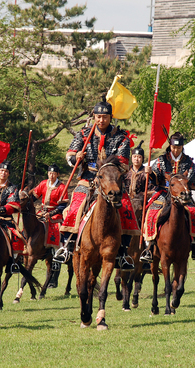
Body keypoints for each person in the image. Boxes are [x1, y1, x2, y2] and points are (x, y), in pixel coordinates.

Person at [53, 98, 140, 270]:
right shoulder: (84, 134)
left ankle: (122, 252)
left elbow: (122, 162)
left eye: (105, 117)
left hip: (111, 182)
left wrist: (106, 169)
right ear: (94, 116)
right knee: (75, 205)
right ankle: (68, 246)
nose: (101, 120)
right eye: (98, 116)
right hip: (88, 179)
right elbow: (70, 153)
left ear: (110, 117)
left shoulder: (121, 137)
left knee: (126, 208)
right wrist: (75, 157)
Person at [140, 132, 195, 264]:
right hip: (163, 193)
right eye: (173, 147)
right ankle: (149, 246)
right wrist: (150, 173)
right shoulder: (161, 160)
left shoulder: (189, 162)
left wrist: (186, 186)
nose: (176, 150)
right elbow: (154, 179)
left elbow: (192, 181)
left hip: (183, 194)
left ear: (182, 147)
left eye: (178, 147)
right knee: (151, 214)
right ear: (170, 146)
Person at [25, 164, 67, 287]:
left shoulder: (62, 187)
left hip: (55, 216)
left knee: (57, 239)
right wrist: (26, 198)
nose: (51, 175)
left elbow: (63, 205)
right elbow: (34, 196)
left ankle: (56, 262)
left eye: (54, 173)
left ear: (58, 174)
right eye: (50, 173)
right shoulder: (44, 183)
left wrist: (52, 213)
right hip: (42, 213)